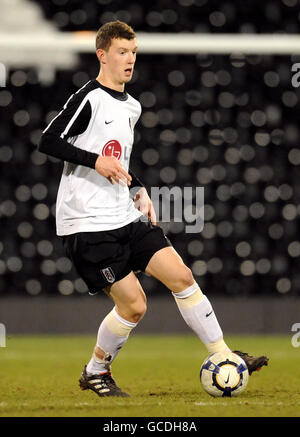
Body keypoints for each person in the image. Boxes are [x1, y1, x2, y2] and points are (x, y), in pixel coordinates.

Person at [39, 20, 268, 397]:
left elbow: (121, 159)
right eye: (121, 53)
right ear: (102, 55)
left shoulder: (132, 106)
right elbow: (48, 141)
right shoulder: (89, 97)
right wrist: (94, 161)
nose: (129, 60)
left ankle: (224, 355)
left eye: (133, 53)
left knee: (181, 275)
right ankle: (96, 372)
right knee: (134, 307)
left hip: (124, 214)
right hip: (87, 222)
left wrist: (139, 188)